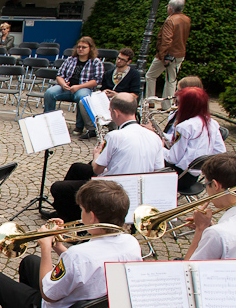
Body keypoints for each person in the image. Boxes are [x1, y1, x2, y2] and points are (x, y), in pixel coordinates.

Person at [0, 180, 140, 308]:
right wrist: (57, 245)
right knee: (29, 263)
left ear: (92, 216)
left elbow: (48, 294)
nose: (80, 214)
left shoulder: (78, 255)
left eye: (82, 210)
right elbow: (84, 269)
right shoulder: (131, 243)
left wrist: (45, 246)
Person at [46, 93, 164, 222]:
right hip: (139, 186)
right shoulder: (155, 137)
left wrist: (96, 155)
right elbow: (158, 170)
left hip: (112, 189)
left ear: (115, 113)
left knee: (58, 188)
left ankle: (76, 219)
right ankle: (63, 212)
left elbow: (97, 169)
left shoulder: (115, 136)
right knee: (77, 168)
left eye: (110, 111)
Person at [162, 86, 226, 190]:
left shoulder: (184, 127)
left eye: (179, 103)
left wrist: (159, 146)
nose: (177, 106)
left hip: (179, 177)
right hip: (195, 176)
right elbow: (220, 151)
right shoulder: (212, 123)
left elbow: (173, 158)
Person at [43, 36, 104, 134]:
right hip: (66, 87)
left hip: (83, 87)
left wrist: (78, 87)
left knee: (82, 97)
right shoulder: (70, 59)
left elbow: (96, 80)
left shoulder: (96, 62)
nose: (80, 49)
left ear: (91, 49)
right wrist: (63, 84)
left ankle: (79, 127)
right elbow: (59, 75)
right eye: (79, 47)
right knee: (50, 92)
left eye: (84, 47)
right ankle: (48, 122)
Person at [77, 47, 141, 139]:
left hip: (122, 101)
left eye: (122, 60)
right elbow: (102, 88)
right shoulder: (109, 73)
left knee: (115, 104)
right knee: (83, 102)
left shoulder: (134, 74)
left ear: (129, 62)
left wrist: (117, 95)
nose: (119, 61)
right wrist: (104, 92)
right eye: (118, 58)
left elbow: (134, 94)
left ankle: (113, 129)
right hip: (106, 98)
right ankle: (92, 129)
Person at [184, 153, 236, 260]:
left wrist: (201, 229)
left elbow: (188, 267)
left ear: (215, 185)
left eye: (206, 185)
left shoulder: (217, 234)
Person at [145, 0, 190, 102]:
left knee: (150, 76)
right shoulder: (186, 19)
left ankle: (150, 102)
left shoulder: (170, 20)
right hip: (180, 54)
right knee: (171, 80)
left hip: (168, 54)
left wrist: (164, 56)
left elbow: (166, 40)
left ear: (171, 8)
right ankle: (167, 105)